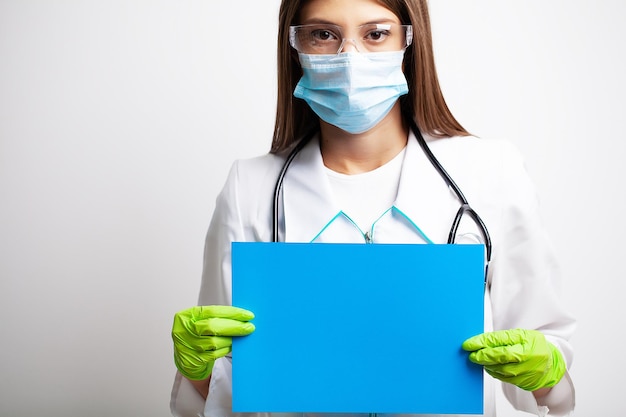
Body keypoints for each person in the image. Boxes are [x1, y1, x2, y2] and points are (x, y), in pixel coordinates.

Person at [170, 0, 576, 416]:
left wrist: (548, 375)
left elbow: (554, 386)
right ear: (295, 46)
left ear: (409, 42)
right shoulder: (250, 188)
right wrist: (196, 368)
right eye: (323, 35)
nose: (350, 58)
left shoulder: (491, 172)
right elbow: (217, 392)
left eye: (375, 34)